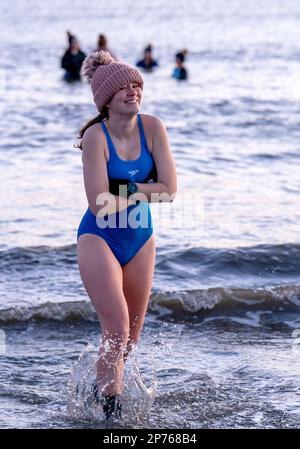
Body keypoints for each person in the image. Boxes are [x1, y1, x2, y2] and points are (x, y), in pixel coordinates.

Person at [76, 51, 177, 420]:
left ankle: (98, 393)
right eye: (123, 87)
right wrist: (143, 187)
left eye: (137, 85)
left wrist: (122, 190)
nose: (133, 91)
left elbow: (170, 190)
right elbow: (99, 205)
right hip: (99, 240)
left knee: (130, 341)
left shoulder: (153, 127)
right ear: (106, 97)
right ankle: (110, 415)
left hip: (140, 240)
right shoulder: (94, 137)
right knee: (116, 329)